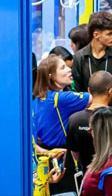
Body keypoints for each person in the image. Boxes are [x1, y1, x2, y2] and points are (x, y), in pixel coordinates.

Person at [32, 55, 93, 193]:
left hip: (46, 157)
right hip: (63, 158)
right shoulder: (60, 98)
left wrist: (46, 152)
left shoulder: (38, 98)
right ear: (51, 76)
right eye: (63, 67)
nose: (69, 70)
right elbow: (99, 95)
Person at [66, 72, 112, 176]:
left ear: (89, 91)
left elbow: (75, 156)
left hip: (89, 178)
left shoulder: (74, 120)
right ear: (111, 91)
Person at [71, 11, 112, 110]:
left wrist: (111, 115)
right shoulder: (79, 58)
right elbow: (77, 92)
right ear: (96, 35)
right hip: (86, 114)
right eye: (109, 34)